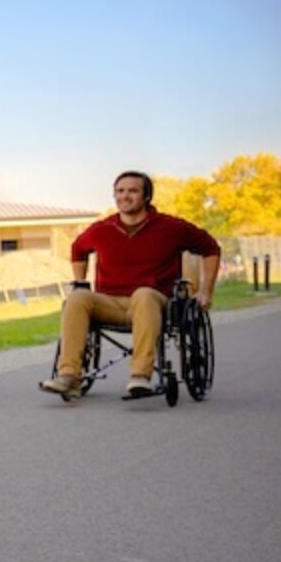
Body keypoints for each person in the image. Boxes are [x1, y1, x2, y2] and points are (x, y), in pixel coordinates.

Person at [40, 171, 220, 400]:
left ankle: (140, 376)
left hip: (153, 302)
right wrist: (80, 281)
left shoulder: (171, 227)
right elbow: (78, 249)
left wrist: (206, 291)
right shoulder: (102, 229)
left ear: (146, 196)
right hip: (110, 302)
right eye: (120, 191)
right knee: (76, 297)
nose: (125, 196)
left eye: (133, 191)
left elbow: (211, 248)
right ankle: (68, 376)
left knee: (143, 294)